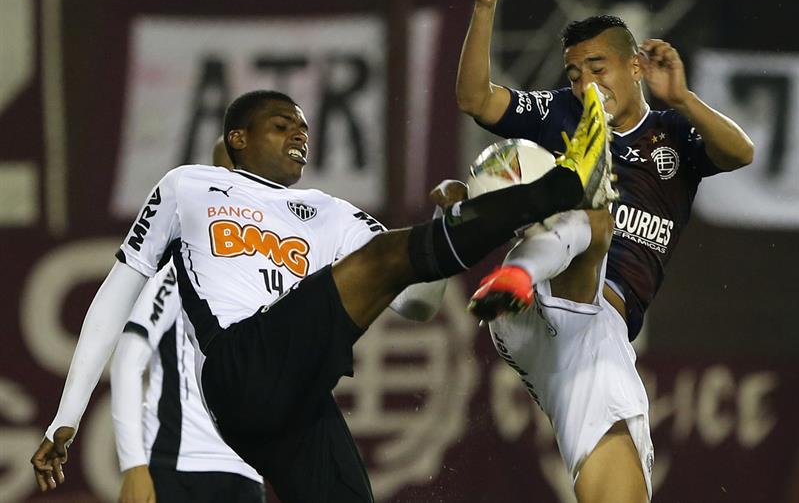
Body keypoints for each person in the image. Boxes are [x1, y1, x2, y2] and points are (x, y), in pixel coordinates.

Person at [31, 88, 613, 503]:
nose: (300, 136)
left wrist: (448, 223)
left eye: (305, 129)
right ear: (238, 137)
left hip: (296, 394)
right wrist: (65, 417)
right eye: (283, 124)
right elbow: (116, 294)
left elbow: (418, 303)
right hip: (240, 364)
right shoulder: (189, 186)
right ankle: (564, 183)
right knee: (385, 257)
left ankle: (507, 206)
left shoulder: (330, 214)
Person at [456, 0, 754, 503]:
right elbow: (475, 98)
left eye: (599, 67)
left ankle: (480, 235)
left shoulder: (674, 135)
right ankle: (509, 264)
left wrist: (685, 98)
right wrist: (485, 7)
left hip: (584, 330)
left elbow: (741, 153)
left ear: (635, 66)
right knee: (587, 210)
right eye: (574, 73)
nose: (585, 83)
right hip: (555, 299)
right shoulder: (563, 115)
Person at [110, 138, 266, 503]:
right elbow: (128, 358)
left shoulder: (277, 269)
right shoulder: (180, 268)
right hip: (179, 467)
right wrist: (134, 465)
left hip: (247, 470)